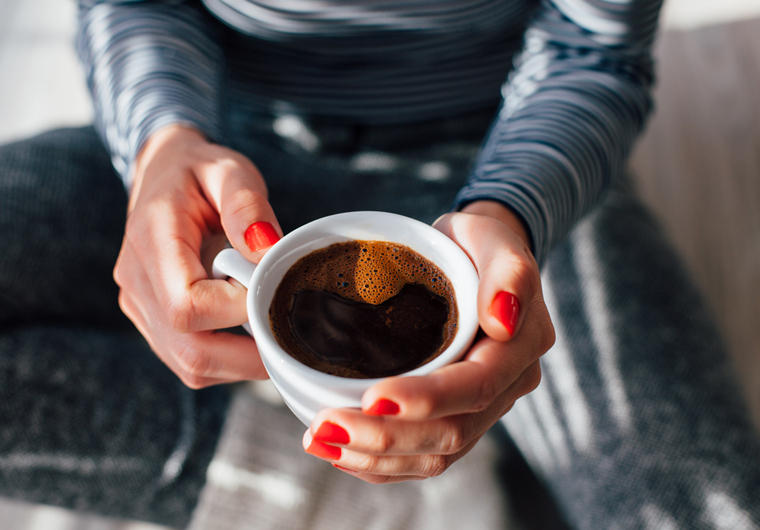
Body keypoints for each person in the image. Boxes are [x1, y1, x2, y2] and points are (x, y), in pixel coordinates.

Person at [1, 0, 759, 529]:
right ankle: (299, 486)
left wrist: (513, 207)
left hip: (501, 172)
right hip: (226, 168)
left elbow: (594, 51)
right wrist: (161, 143)